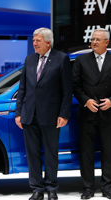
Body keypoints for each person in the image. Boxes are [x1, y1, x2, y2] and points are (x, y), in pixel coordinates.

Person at [15, 27, 72, 200]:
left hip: (52, 115)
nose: (34, 43)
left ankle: (52, 188)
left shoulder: (61, 59)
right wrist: (19, 113)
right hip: (29, 115)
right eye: (33, 40)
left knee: (51, 153)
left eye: (37, 41)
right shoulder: (30, 59)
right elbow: (22, 88)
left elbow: (67, 91)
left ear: (48, 42)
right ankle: (37, 189)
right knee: (32, 154)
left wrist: (64, 114)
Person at [72, 28, 111, 199]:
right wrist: (85, 100)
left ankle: (108, 188)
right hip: (87, 112)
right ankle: (88, 188)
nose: (94, 42)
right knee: (86, 152)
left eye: (98, 39)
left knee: (109, 151)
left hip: (108, 113)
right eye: (93, 39)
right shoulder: (81, 60)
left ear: (106, 42)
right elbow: (75, 86)